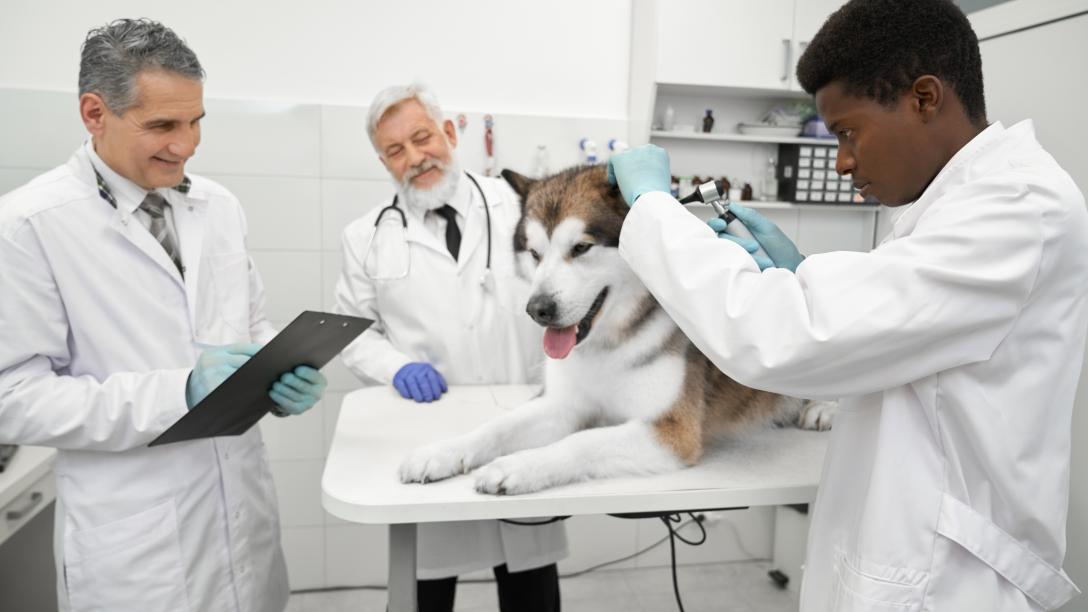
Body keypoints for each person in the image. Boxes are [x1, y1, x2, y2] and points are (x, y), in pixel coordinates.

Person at [607, 1, 1086, 610]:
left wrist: (653, 209)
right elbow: (900, 315)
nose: (841, 161)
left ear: (924, 98)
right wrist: (801, 273)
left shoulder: (1019, 208)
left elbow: (780, 338)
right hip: (907, 546)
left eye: (847, 131)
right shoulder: (955, 201)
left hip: (949, 580)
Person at [0, 19, 327, 611]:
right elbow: (15, 399)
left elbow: (248, 325)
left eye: (197, 120)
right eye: (162, 126)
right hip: (135, 548)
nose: (187, 144)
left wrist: (279, 368)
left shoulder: (218, 207)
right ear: (94, 114)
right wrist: (180, 391)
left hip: (240, 510)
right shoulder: (30, 226)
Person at [334, 84, 567, 611]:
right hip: (429, 427)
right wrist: (395, 368)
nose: (415, 158)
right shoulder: (365, 237)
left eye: (422, 138)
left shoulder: (520, 206)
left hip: (519, 423)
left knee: (530, 584)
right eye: (395, 151)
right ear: (383, 161)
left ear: (449, 132)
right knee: (426, 588)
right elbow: (354, 333)